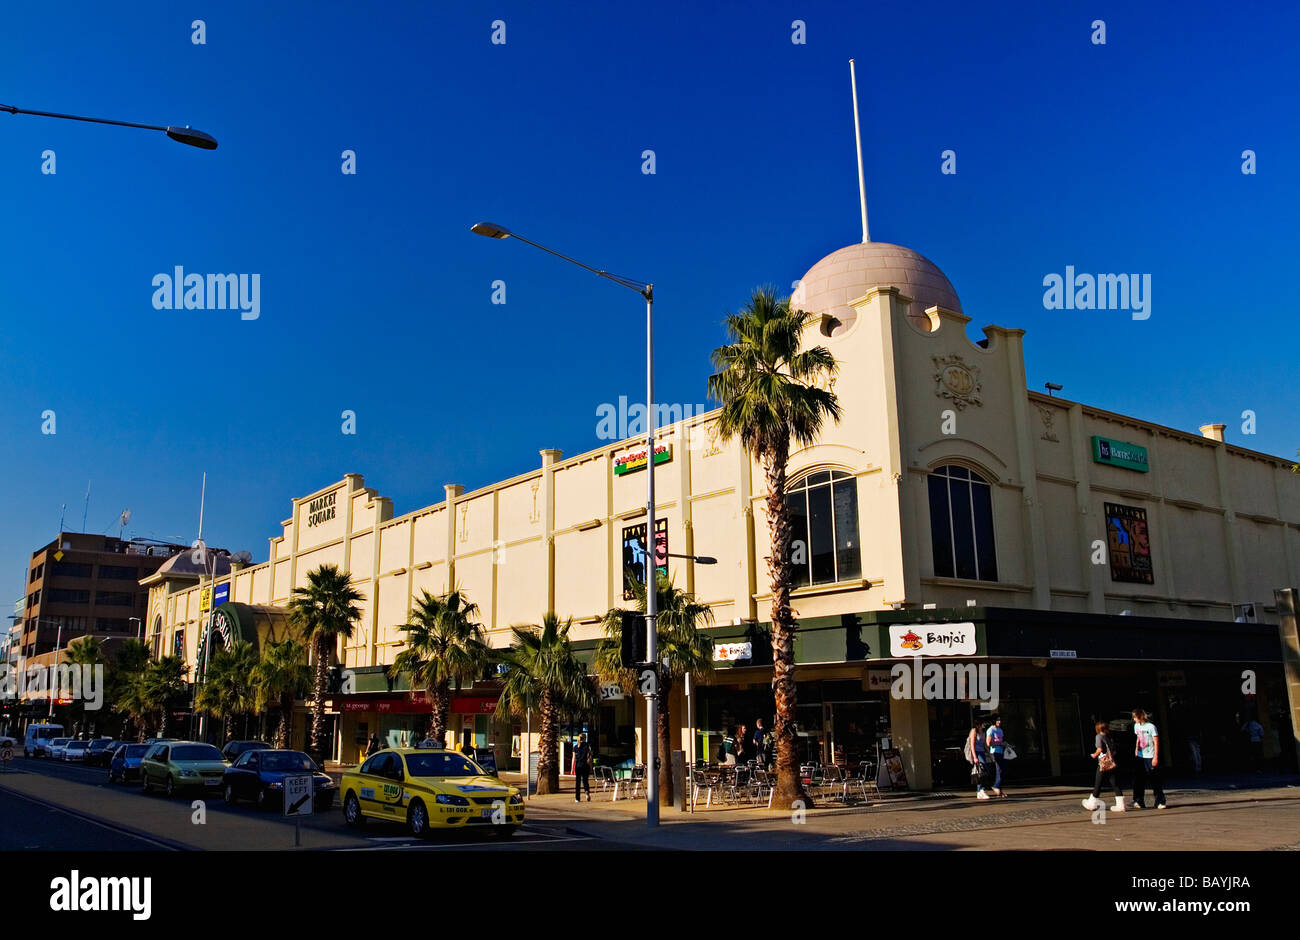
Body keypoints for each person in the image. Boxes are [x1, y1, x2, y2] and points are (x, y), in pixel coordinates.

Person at [1083, 720, 1124, 812]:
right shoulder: (1109, 737)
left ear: (1098, 729)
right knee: (1115, 783)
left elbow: (1100, 749)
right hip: (1111, 763)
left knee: (1098, 783)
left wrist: (1094, 755)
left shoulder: (1099, 736)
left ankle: (1092, 804)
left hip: (1103, 763)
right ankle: (1121, 805)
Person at [1131, 708, 1166, 809]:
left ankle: (1160, 801)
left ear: (1140, 717)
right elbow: (1138, 737)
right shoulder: (1136, 726)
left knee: (1154, 778)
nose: (1134, 719)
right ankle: (1138, 801)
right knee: (1139, 779)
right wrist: (1136, 749)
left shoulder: (1151, 727)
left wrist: (1155, 756)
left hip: (1150, 755)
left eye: (1135, 717)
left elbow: (1156, 741)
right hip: (1140, 755)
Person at [965, 719, 990, 800]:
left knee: (982, 771)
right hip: (976, 752)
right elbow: (972, 745)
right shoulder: (974, 731)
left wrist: (990, 754)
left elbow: (985, 744)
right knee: (981, 770)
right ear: (979, 724)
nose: (984, 725)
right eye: (983, 723)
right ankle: (981, 790)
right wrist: (975, 757)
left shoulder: (983, 732)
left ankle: (980, 791)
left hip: (982, 752)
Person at [985, 716, 1007, 797]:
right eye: (998, 720)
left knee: (1002, 770)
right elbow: (988, 743)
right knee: (999, 769)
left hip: (1001, 751)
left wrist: (1005, 744)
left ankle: (999, 790)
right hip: (994, 752)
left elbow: (1002, 740)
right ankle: (996, 786)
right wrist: (1000, 744)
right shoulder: (991, 730)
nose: (999, 721)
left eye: (1000, 720)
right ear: (994, 720)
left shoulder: (1000, 730)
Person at [573, 733, 592, 802]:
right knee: (585, 781)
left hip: (578, 766)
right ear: (584, 738)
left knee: (577, 782)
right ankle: (587, 791)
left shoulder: (575, 747)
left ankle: (577, 798)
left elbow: (573, 758)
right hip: (585, 766)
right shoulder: (587, 746)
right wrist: (590, 766)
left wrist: (572, 768)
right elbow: (589, 757)